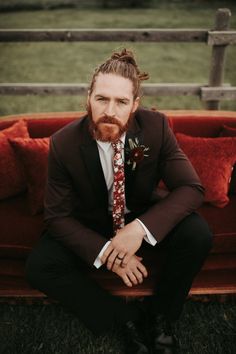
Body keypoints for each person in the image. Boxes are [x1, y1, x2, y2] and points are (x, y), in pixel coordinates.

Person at [26, 48, 212, 354]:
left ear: (135, 105)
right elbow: (57, 217)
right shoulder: (63, 143)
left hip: (141, 215)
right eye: (101, 99)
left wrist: (138, 230)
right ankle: (122, 316)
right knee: (40, 266)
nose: (109, 110)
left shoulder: (156, 127)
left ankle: (161, 316)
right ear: (89, 97)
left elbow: (191, 187)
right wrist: (111, 253)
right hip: (92, 223)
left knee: (198, 234)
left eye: (121, 101)